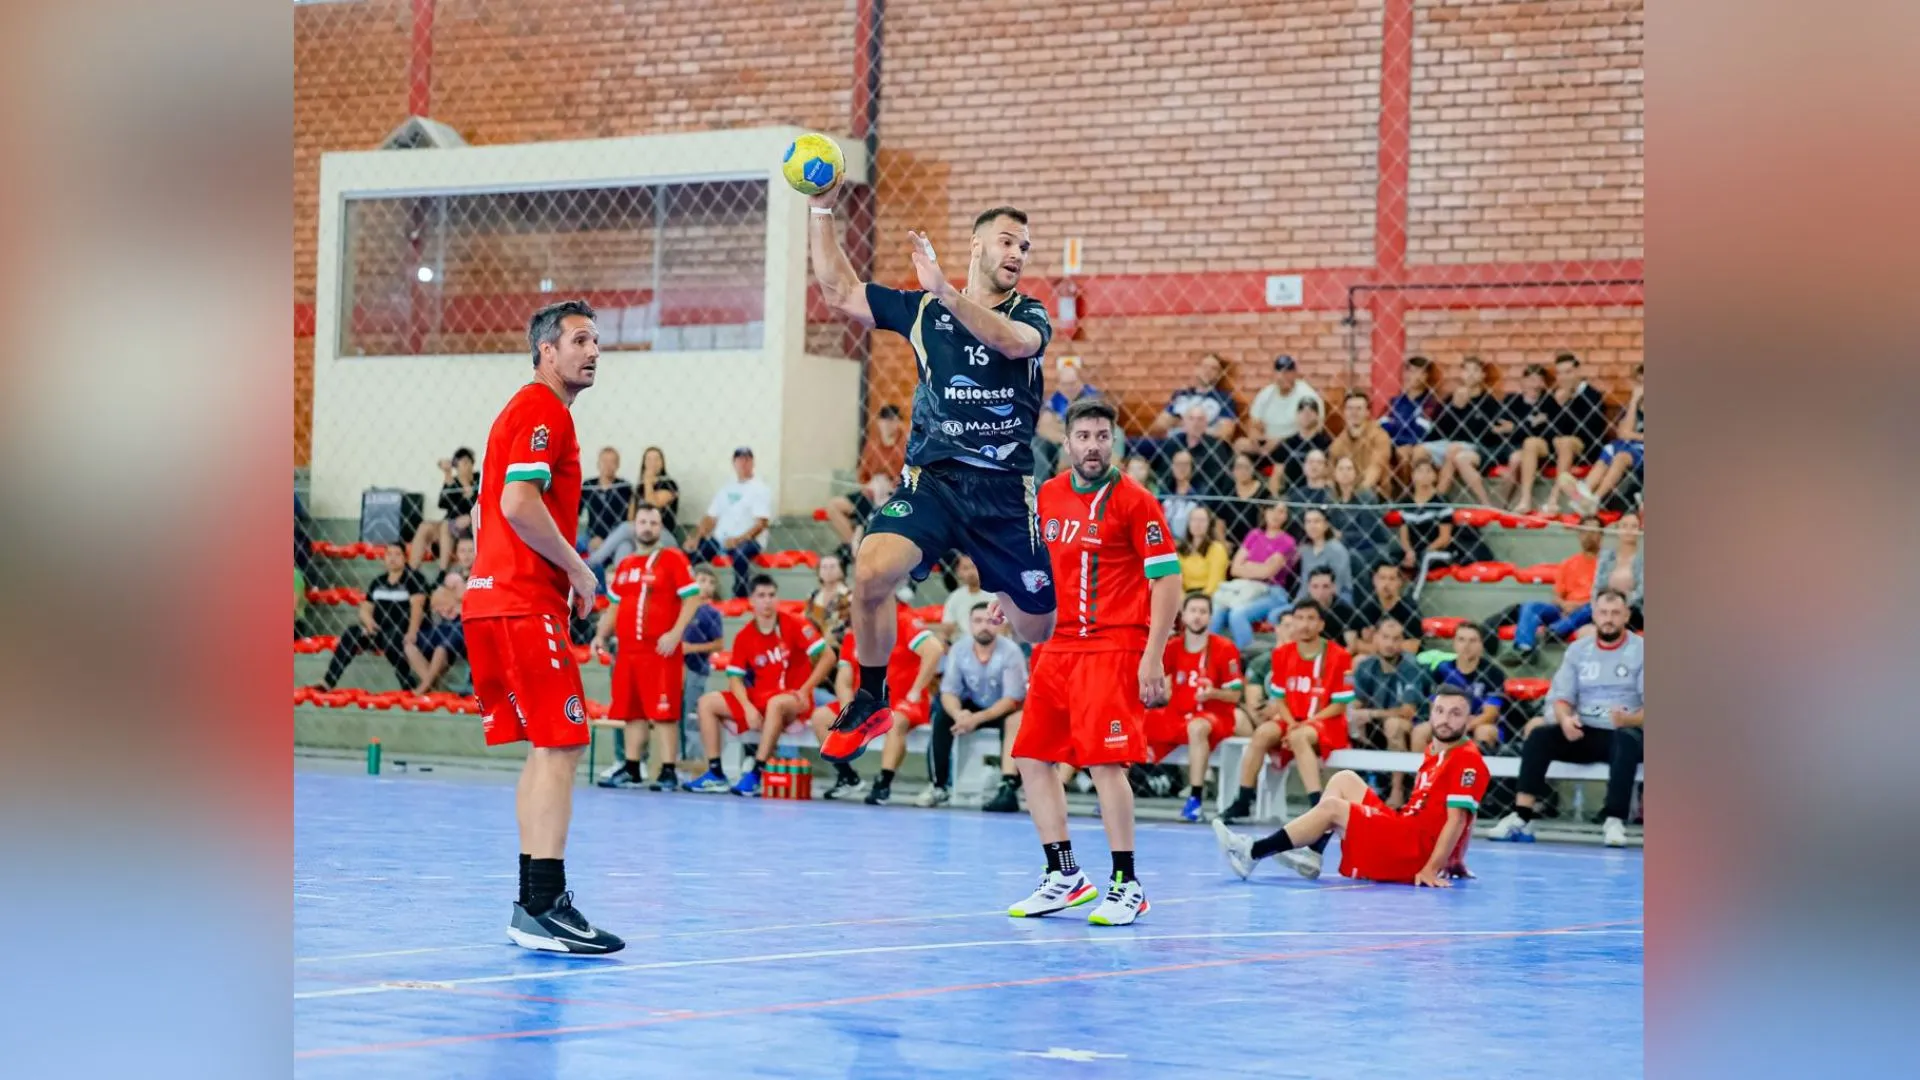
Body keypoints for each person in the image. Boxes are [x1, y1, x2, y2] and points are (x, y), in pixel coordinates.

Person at [807, 196, 1058, 763]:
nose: (1017, 253)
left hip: (1003, 495)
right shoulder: (923, 311)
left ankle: (1006, 586)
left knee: (1037, 628)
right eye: (1007, 241)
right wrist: (821, 209)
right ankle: (872, 697)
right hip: (934, 483)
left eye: (1024, 247)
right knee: (870, 570)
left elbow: (1012, 343)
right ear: (976, 244)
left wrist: (946, 292)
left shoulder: (1029, 312)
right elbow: (840, 291)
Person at [462, 298, 622, 954]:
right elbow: (516, 502)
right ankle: (546, 905)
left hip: (491, 600)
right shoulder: (543, 409)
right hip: (522, 602)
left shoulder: (517, 411)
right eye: (580, 340)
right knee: (564, 744)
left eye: (596, 341)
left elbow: (482, 515)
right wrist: (579, 572)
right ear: (546, 352)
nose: (593, 351)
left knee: (546, 748)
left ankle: (531, 905)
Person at [1008, 397, 1183, 926]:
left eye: (1102, 437)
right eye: (1083, 436)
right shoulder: (1047, 495)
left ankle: (1127, 884)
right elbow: (1033, 561)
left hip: (1112, 647)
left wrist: (1153, 655)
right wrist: (1007, 597)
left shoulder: (1135, 501)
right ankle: (1064, 874)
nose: (1092, 446)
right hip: (1055, 646)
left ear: (1114, 442)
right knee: (1031, 757)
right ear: (1066, 443)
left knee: (1106, 764)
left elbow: (1168, 581)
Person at [1213, 686, 1488, 886]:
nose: (1445, 719)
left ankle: (1252, 853)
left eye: (1456, 714)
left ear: (1469, 720)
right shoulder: (1436, 751)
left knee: (1334, 808)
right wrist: (1456, 860)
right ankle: (1313, 853)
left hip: (1413, 851)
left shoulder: (1466, 759)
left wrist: (1432, 868)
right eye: (1440, 711)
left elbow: (1459, 819)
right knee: (1343, 779)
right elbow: (1467, 814)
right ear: (1431, 713)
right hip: (1405, 830)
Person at [1488, 590, 1644, 847]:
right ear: (1594, 615)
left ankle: (1614, 820)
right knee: (1540, 736)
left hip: (1627, 731)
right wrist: (1564, 720)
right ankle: (1521, 816)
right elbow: (1561, 697)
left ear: (1626, 616)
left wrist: (1630, 720)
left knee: (1626, 740)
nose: (1609, 619)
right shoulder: (1578, 650)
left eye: (1615, 613)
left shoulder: (1641, 650)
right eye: (1603, 613)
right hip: (1586, 730)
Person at [678, 575, 830, 794]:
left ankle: (757, 773)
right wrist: (747, 707)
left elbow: (828, 656)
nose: (767, 601)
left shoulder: (795, 623)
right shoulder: (744, 636)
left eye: (771, 595)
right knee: (706, 703)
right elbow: (735, 678)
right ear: (751, 601)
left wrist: (806, 689)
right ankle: (715, 773)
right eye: (761, 596)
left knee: (776, 704)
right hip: (761, 696)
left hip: (793, 697)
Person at [591, 504, 702, 790]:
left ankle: (668, 770)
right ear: (634, 526)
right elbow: (614, 607)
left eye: (654, 523)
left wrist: (675, 634)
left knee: (664, 712)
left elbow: (692, 599)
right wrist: (600, 635)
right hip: (628, 651)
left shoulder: (673, 558)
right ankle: (632, 768)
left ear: (661, 528)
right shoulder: (625, 565)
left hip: (660, 650)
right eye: (643, 522)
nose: (648, 528)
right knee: (632, 712)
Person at [1218, 601, 1354, 822]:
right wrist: (1291, 723)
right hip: (1292, 720)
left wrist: (1306, 723)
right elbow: (1280, 699)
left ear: (1321, 624)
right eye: (1300, 618)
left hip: (1327, 722)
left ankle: (1317, 805)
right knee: (1262, 733)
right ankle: (1243, 800)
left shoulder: (1339, 656)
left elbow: (1339, 704)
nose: (1305, 624)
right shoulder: (1281, 654)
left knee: (1299, 736)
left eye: (1311, 619)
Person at [1146, 592, 1246, 823]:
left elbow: (1235, 695)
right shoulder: (1173, 647)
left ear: (1210, 617)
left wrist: (1214, 693)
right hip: (1177, 714)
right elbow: (1155, 681)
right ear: (1183, 615)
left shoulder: (1225, 648)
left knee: (1197, 727)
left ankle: (1195, 799)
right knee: (1133, 722)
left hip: (1214, 716)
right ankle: (1112, 797)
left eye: (1203, 612)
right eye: (1193, 611)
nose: (1198, 616)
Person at [925, 601, 1028, 809]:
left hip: (1002, 709)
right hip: (971, 705)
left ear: (999, 624)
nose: (984, 626)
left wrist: (976, 719)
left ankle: (1007, 786)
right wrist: (958, 714)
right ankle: (939, 786)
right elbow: (949, 691)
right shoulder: (959, 649)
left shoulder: (1011, 652)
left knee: (1015, 720)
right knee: (941, 715)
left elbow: (1012, 699)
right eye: (978, 621)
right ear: (970, 624)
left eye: (990, 621)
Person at [845, 601, 947, 806]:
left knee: (893, 721)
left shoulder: (904, 619)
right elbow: (844, 671)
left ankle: (883, 782)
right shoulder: (860, 625)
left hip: (903, 701)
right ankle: (846, 777)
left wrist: (916, 689)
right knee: (822, 717)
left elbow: (934, 650)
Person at [316, 542, 427, 691]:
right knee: (352, 633)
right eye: (389, 554)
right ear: (384, 558)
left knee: (392, 638)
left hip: (400, 631)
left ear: (405, 558)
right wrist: (368, 622)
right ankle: (328, 682)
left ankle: (408, 685)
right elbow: (365, 608)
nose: (392, 558)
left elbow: (417, 607)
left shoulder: (413, 579)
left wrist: (412, 632)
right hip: (378, 631)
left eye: (397, 554)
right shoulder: (378, 582)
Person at [1346, 617, 1433, 806]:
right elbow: (1358, 701)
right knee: (1350, 720)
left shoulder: (1410, 667)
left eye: (1395, 639)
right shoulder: (1366, 666)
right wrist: (1353, 712)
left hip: (1413, 725)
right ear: (1375, 638)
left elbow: (1408, 711)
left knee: (1393, 725)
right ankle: (1362, 781)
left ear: (1402, 642)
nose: (1390, 644)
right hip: (1377, 724)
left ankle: (1397, 791)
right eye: (1385, 637)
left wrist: (1370, 714)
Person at [681, 447, 772, 598]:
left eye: (747, 459)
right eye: (740, 459)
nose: (743, 463)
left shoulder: (760, 488)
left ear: (753, 462)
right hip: (721, 539)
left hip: (749, 540)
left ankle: (741, 598)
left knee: (740, 555)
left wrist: (738, 540)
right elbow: (710, 517)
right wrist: (696, 538)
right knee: (692, 554)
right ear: (734, 462)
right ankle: (688, 594)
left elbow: (761, 524)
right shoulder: (726, 488)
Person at [1510, 515, 1603, 658]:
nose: (1589, 536)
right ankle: (1524, 647)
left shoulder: (1606, 564)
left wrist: (1577, 605)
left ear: (1601, 535)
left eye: (1593, 531)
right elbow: (1556, 597)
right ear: (1578, 535)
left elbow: (1605, 597)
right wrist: (1565, 605)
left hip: (1589, 611)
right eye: (1585, 531)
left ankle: (1555, 630)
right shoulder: (1568, 564)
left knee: (1594, 606)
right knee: (1531, 605)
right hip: (1564, 611)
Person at [1211, 502, 1297, 651]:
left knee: (1237, 614)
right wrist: (1259, 567)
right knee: (1217, 612)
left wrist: (1248, 565)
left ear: (1286, 516)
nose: (1275, 515)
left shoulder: (1287, 541)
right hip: (1246, 589)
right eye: (1271, 510)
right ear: (1264, 512)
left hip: (1272, 592)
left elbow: (1268, 573)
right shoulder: (1255, 534)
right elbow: (1235, 569)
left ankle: (1245, 656)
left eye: (1281, 511)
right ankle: (1206, 654)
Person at [588, 446, 682, 571]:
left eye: (657, 459)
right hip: (641, 535)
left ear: (662, 463)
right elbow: (631, 518)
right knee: (624, 545)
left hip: (662, 535)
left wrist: (648, 482)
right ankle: (620, 578)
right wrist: (638, 489)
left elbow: (651, 506)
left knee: (625, 528)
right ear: (644, 463)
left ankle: (589, 563)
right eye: (649, 459)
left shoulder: (669, 484)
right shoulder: (640, 487)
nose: (653, 463)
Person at [1539, 353, 1611, 515]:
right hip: (1557, 446)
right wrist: (1559, 405)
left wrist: (1565, 406)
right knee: (1531, 443)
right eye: (1560, 373)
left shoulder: (1592, 395)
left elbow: (1588, 430)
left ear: (1578, 371)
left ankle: (1553, 499)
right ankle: (1524, 499)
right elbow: (1546, 429)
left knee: (1566, 442)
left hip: (1585, 448)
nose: (1564, 377)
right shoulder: (1554, 396)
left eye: (1568, 372)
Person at [1419, 623, 1508, 753]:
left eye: (1472, 640)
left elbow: (1490, 714)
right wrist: (1450, 723)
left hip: (1479, 723)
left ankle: (1474, 766)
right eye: (1461, 640)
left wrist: (1463, 725)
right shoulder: (1442, 669)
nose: (1466, 645)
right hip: (1447, 721)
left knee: (1484, 731)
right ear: (1454, 643)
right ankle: (1425, 766)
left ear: (1481, 645)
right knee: (1420, 732)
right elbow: (1435, 707)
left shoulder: (1493, 673)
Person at [1567, 363, 1643, 513]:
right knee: (1609, 450)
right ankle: (1584, 492)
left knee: (1621, 457)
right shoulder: (1633, 406)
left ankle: (1596, 499)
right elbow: (1623, 433)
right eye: (1640, 383)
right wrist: (1634, 401)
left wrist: (1633, 435)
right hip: (1630, 445)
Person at [1431, 357, 1503, 508]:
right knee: (1419, 451)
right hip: (1449, 443)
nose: (1470, 374)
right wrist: (1455, 408)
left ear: (1482, 375)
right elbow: (1438, 430)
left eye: (1475, 370)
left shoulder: (1489, 402)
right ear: (1461, 374)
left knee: (1454, 449)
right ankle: (1414, 497)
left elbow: (1489, 433)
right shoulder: (1450, 399)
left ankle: (1438, 497)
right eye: (1466, 370)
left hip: (1475, 446)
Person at [1499, 363, 1561, 514]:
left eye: (1539, 380)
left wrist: (1516, 427)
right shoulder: (1512, 401)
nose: (1535, 385)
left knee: (1517, 458)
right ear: (1523, 381)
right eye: (1532, 380)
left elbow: (1550, 432)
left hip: (1538, 450)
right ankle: (1501, 505)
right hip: (1511, 445)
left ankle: (1509, 505)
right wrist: (1529, 426)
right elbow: (1501, 428)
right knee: (1515, 458)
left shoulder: (1548, 402)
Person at [1032, 356, 1103, 479]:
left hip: (1084, 442)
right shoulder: (1055, 399)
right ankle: (1040, 486)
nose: (1069, 388)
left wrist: (1061, 429)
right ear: (1059, 385)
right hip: (1061, 441)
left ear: (1081, 381)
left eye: (1072, 383)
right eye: (1064, 384)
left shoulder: (1092, 396)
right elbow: (1043, 427)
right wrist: (1063, 438)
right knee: (1036, 444)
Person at [1244, 354, 1324, 461]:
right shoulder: (1266, 394)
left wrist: (1280, 441)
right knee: (1240, 445)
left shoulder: (1307, 395)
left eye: (1288, 372)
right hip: (1267, 443)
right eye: (1279, 371)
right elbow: (1254, 423)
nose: (1283, 376)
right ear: (1274, 374)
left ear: (1295, 373)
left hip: (1294, 445)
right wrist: (1255, 438)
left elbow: (1315, 429)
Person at [410, 447, 479, 570]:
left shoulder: (478, 479)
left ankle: (442, 570)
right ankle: (412, 570)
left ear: (472, 464)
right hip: (452, 524)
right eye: (460, 463)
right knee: (425, 526)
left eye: (467, 462)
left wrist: (469, 516)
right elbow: (443, 503)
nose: (464, 466)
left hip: (471, 524)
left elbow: (483, 502)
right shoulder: (453, 481)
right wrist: (447, 475)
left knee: (446, 525)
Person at [1148, 352, 1239, 443]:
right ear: (1197, 370)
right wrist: (1198, 426)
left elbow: (1225, 434)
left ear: (1218, 375)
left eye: (1213, 368)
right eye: (1204, 366)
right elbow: (1157, 426)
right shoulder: (1181, 394)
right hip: (1171, 442)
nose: (1207, 371)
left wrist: (1184, 425)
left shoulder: (1224, 399)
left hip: (1202, 445)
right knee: (1140, 445)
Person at [1381, 356, 1443, 483]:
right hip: (1392, 444)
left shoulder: (1431, 403)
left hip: (1417, 446)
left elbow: (1421, 432)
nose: (1412, 376)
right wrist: (1405, 427)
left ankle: (1409, 492)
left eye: (1418, 372)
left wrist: (1396, 426)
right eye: (1409, 371)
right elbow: (1382, 425)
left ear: (1425, 376)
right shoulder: (1395, 401)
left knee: (1403, 453)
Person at [1397, 457, 1455, 589]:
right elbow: (1404, 536)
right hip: (1412, 549)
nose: (1424, 475)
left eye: (1428, 471)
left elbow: (1444, 538)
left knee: (1423, 559)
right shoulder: (1406, 502)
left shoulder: (1441, 502)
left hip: (1434, 550)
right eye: (1419, 471)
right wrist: (1409, 551)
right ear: (1413, 476)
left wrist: (1422, 552)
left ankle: (1413, 593)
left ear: (1435, 476)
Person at [405, 568, 467, 694]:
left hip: (465, 625)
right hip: (445, 625)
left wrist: (451, 595)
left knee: (441, 648)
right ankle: (434, 688)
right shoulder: (453, 576)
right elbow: (435, 600)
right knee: (409, 645)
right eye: (462, 552)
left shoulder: (484, 576)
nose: (466, 557)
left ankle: (424, 687)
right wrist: (456, 600)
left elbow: (466, 598)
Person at [1158, 403, 1237, 496]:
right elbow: (1164, 472)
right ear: (1184, 423)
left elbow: (1218, 479)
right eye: (1191, 419)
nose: (1195, 423)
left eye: (1200, 419)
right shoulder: (1173, 443)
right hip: (1174, 491)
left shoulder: (1216, 446)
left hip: (1205, 493)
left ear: (1206, 423)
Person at [1349, 561, 1421, 659]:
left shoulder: (1409, 609)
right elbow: (1355, 644)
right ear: (1375, 580)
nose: (1386, 583)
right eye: (1382, 578)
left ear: (1399, 582)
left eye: (1392, 579)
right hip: (1372, 660)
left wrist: (1375, 643)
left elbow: (1412, 647)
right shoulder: (1366, 607)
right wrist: (1393, 644)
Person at [1327, 391, 1394, 495]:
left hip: (1374, 494)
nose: (1354, 412)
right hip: (1346, 494)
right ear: (1344, 412)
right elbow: (1331, 474)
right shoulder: (1338, 442)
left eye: (1359, 408)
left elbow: (1376, 468)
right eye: (1350, 408)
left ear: (1367, 412)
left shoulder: (1380, 436)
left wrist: (1358, 495)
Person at [578, 447, 633, 561]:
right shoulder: (589, 485)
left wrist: (607, 540)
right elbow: (576, 512)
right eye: (604, 461)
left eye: (612, 462)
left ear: (618, 465)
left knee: (626, 547)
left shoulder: (624, 487)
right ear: (598, 464)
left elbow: (630, 519)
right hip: (592, 536)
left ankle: (593, 563)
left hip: (617, 538)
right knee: (571, 543)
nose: (608, 465)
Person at [1292, 506, 1353, 607]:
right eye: (1308, 522)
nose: (1312, 526)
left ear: (1326, 525)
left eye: (1316, 521)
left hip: (1336, 597)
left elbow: (1338, 584)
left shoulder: (1337, 550)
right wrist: (1296, 605)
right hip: (1311, 596)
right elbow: (1305, 584)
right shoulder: (1306, 550)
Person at [1271, 399, 1334, 488]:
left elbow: (1331, 475)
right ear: (1296, 415)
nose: (1306, 414)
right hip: (1291, 494)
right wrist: (1276, 496)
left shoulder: (1326, 443)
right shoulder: (1287, 443)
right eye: (1302, 411)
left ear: (1317, 416)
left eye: (1311, 411)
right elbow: (1276, 478)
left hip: (1318, 493)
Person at [1175, 505, 1229, 597]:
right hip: (1185, 598)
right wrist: (1183, 600)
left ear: (1209, 524)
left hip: (1208, 597)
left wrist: (1198, 601)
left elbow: (1214, 584)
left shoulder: (1217, 549)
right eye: (1193, 520)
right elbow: (1176, 581)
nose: (1197, 524)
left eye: (1202, 520)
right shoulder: (1180, 550)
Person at [1214, 452, 1268, 542]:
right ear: (1233, 471)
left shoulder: (1263, 492)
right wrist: (1224, 543)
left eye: (1246, 467)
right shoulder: (1227, 491)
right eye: (1239, 467)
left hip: (1256, 543)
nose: (1243, 471)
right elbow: (1219, 522)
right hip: (1230, 544)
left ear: (1253, 469)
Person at [938, 554, 992, 642]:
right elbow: (947, 626)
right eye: (965, 568)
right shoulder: (955, 597)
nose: (971, 572)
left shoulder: (995, 594)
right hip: (966, 643)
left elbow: (1004, 626)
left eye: (973, 567)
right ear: (958, 572)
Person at [858, 402, 909, 491]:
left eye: (892, 420)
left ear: (898, 422)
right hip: (873, 491)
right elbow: (862, 476)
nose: (887, 424)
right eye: (884, 419)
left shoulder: (907, 446)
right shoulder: (872, 445)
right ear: (879, 422)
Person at [804, 551, 854, 641]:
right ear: (819, 572)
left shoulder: (850, 596)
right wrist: (811, 640)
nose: (828, 570)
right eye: (824, 567)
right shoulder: (813, 595)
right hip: (816, 644)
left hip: (842, 644)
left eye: (832, 567)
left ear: (841, 571)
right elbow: (805, 623)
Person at [1159, 449, 1204, 538]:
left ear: (1192, 468)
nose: (1181, 468)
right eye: (1178, 464)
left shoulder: (1199, 494)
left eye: (1185, 464)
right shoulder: (1164, 492)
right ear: (1172, 467)